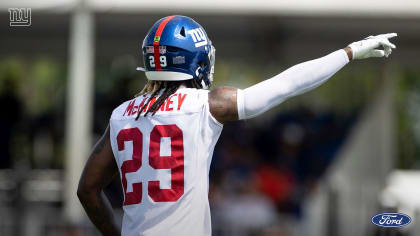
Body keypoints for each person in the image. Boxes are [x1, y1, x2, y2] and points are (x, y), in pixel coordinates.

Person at [77, 15, 397, 236]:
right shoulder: (207, 105)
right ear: (195, 60)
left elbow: (88, 190)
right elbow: (286, 84)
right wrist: (349, 52)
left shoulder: (121, 115)